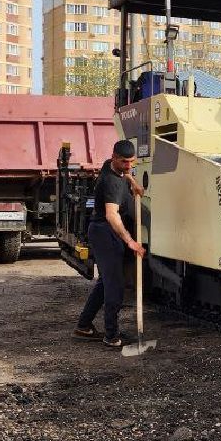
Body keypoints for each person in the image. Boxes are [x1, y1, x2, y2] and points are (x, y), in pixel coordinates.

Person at [75, 139, 145, 347]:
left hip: (103, 231)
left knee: (105, 282)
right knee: (115, 285)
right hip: (105, 232)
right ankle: (111, 336)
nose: (129, 166)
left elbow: (125, 173)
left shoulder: (110, 165)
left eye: (132, 162)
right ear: (114, 157)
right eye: (124, 162)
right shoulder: (111, 182)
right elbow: (112, 215)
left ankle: (84, 326)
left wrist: (133, 183)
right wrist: (131, 242)